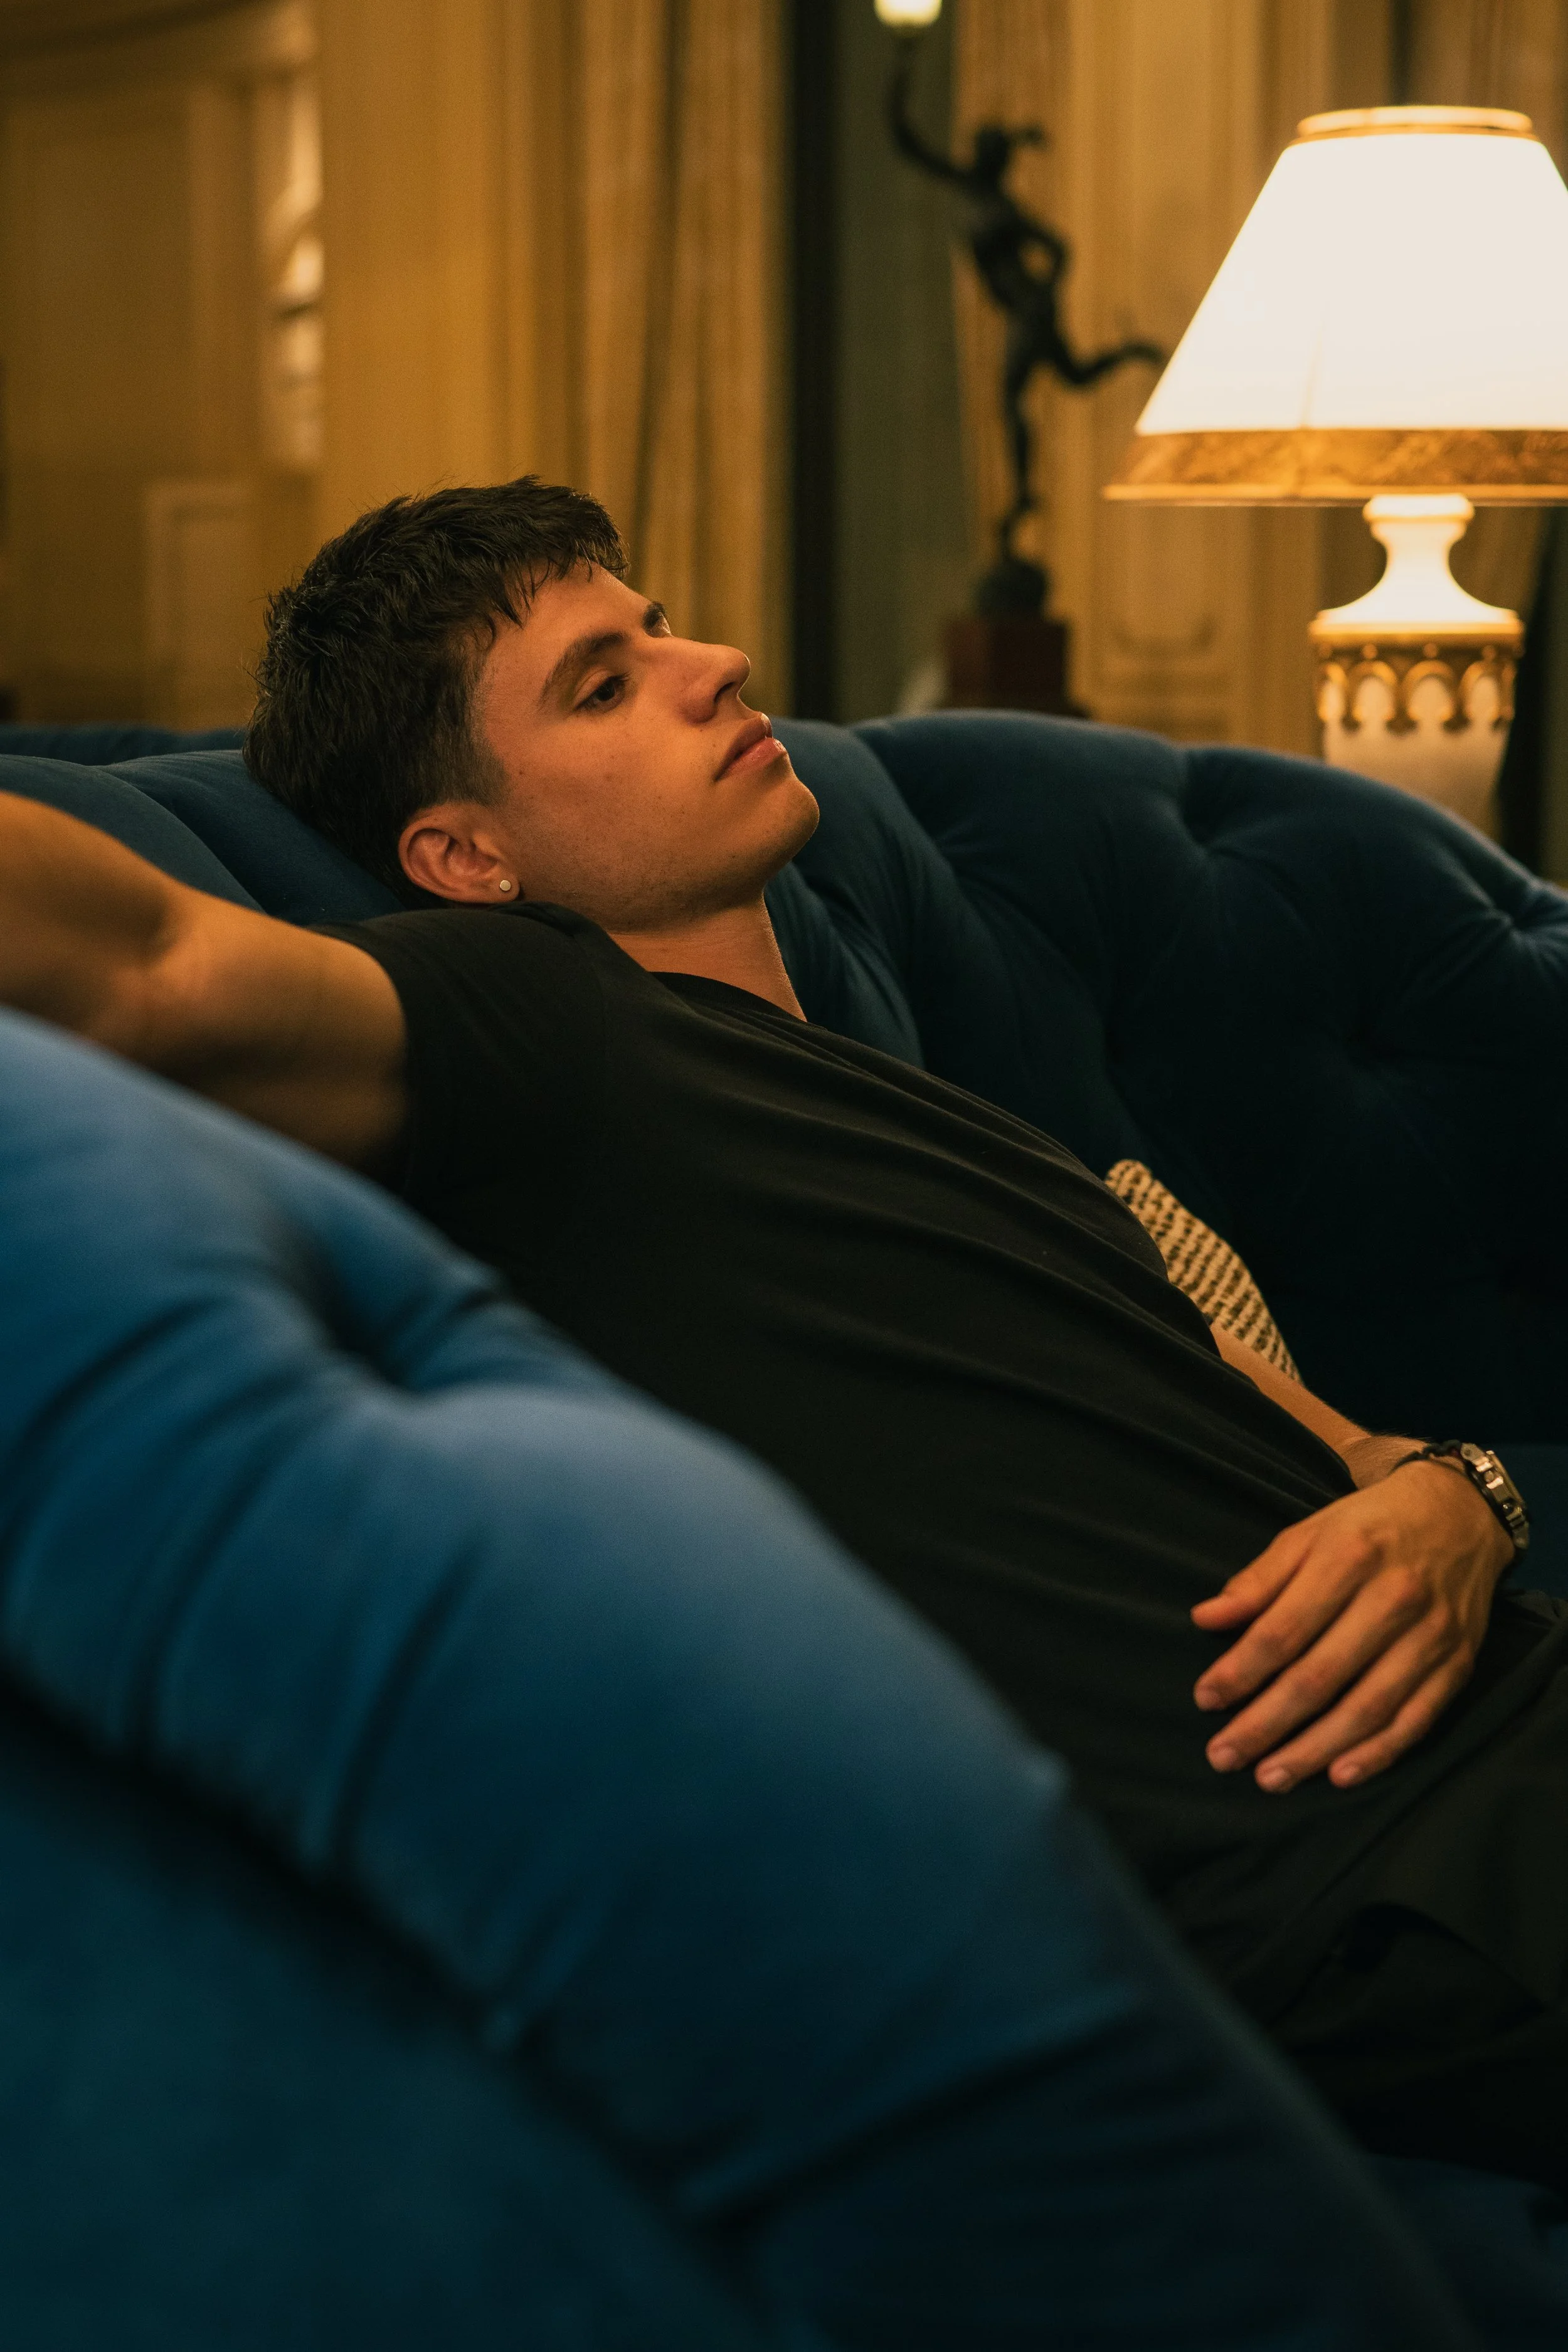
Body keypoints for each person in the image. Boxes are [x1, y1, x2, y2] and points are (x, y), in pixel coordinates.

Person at [4, 477, 1565, 2193]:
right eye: (601, 682)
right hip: (1376, 1886)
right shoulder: (551, 1037)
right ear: (466, 858)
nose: (717, 663)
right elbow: (137, 970)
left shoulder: (957, 1124)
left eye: (660, 624)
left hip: (1507, 1729)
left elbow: (1351, 1448)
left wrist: (1457, 1499)